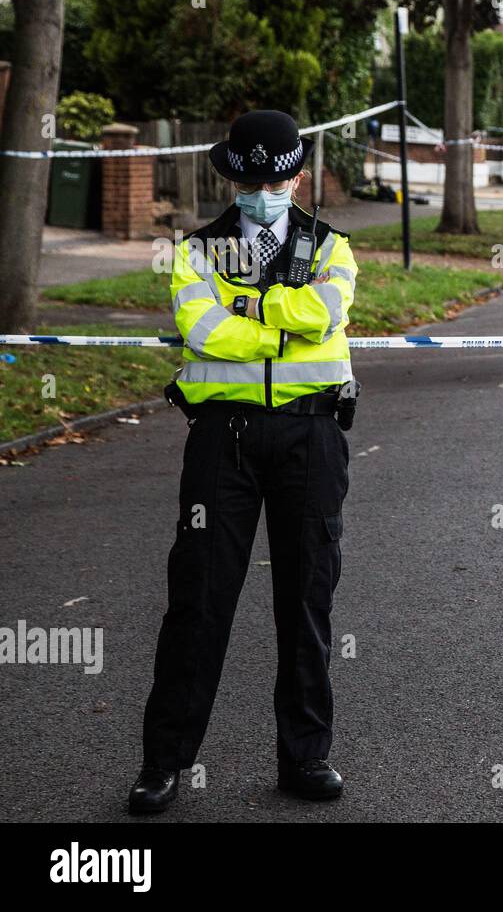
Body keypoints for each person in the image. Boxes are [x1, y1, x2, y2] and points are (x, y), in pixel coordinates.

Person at [128, 110, 359, 813]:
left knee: (306, 601)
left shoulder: (333, 246)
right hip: (221, 441)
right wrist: (279, 319)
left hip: (311, 438)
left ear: (298, 175)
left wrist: (248, 313)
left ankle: (305, 758)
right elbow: (202, 330)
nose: (265, 188)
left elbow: (325, 311)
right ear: (231, 176)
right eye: (252, 177)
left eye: (277, 176)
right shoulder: (195, 252)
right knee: (197, 602)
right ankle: (163, 765)